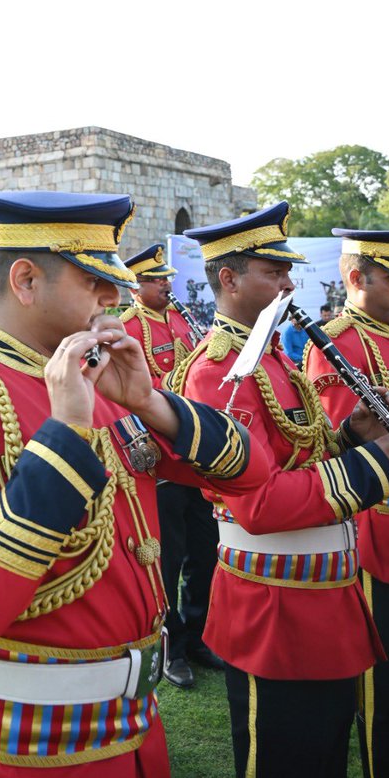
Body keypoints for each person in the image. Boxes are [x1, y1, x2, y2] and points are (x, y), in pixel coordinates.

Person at [0, 191, 272, 776]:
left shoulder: (103, 378)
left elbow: (252, 471)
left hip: (136, 730)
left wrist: (148, 401)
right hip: (26, 749)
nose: (113, 296)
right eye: (93, 280)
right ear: (24, 280)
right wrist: (66, 432)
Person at [167, 203, 389, 778]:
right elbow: (259, 503)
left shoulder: (272, 357)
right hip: (274, 606)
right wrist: (377, 464)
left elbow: (302, 457)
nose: (290, 283)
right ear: (229, 278)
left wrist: (350, 436)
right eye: (274, 272)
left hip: (321, 597)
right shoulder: (218, 371)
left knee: (323, 752)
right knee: (284, 757)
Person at [304, 228, 389, 778]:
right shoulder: (340, 343)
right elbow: (354, 457)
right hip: (378, 541)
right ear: (355, 279)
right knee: (386, 692)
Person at [122, 243, 220, 689]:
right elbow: (134, 392)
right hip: (160, 459)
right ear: (137, 285)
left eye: (168, 277)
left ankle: (198, 636)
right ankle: (172, 649)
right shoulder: (127, 327)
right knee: (169, 558)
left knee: (205, 551)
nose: (167, 283)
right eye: (158, 278)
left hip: (196, 457)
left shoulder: (183, 319)